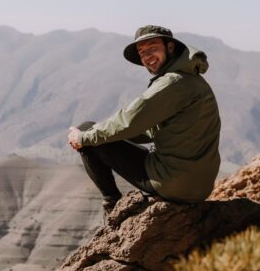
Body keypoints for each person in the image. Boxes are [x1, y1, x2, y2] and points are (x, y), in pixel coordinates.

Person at [67, 25, 221, 214]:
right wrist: (104, 132)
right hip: (199, 187)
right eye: (142, 52)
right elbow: (147, 129)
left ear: (170, 47)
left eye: (152, 48)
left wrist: (83, 138)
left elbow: (129, 121)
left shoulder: (172, 82)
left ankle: (112, 203)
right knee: (96, 132)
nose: (147, 56)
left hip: (172, 183)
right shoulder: (192, 81)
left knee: (85, 130)